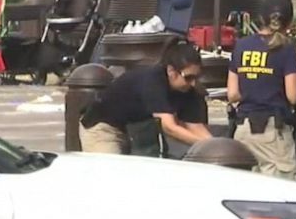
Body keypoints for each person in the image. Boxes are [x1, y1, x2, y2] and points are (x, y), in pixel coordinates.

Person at [227, 0, 296, 179]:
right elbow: (293, 95)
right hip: (273, 133)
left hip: (244, 132)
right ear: (288, 21)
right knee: (280, 196)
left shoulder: (242, 46)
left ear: (261, 18)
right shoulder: (287, 47)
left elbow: (233, 94)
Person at [79, 42, 212, 154]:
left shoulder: (189, 90)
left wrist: (217, 147)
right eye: (188, 77)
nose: (193, 83)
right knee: (110, 174)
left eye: (196, 77)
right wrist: (205, 146)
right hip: (103, 127)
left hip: (133, 131)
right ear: (171, 71)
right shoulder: (154, 81)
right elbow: (169, 127)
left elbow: (197, 128)